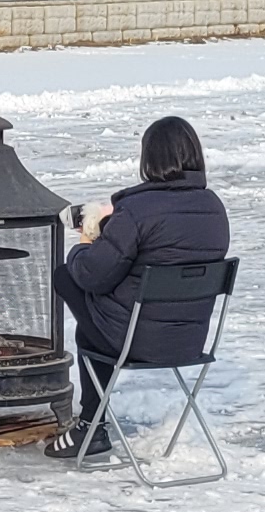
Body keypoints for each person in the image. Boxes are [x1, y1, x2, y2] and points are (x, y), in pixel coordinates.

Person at [56, 113, 229, 455]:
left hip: (137, 341)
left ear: (149, 158)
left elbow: (92, 274)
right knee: (96, 322)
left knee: (68, 278)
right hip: (189, 341)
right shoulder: (214, 208)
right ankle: (92, 426)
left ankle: (92, 426)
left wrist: (86, 243)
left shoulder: (137, 211)